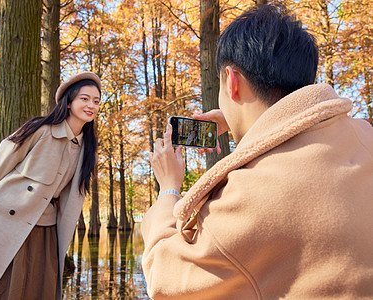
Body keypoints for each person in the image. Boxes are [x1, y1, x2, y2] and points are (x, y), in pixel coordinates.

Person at [142, 4, 373, 299]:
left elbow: (165, 277)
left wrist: (168, 189)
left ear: (233, 82)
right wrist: (254, 123)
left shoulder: (247, 196)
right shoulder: (364, 136)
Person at [0, 72, 102, 300]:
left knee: (37, 288)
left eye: (96, 101)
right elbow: (0, 166)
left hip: (45, 229)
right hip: (3, 220)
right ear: (69, 103)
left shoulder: (86, 150)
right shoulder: (40, 130)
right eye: (84, 99)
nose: (91, 105)